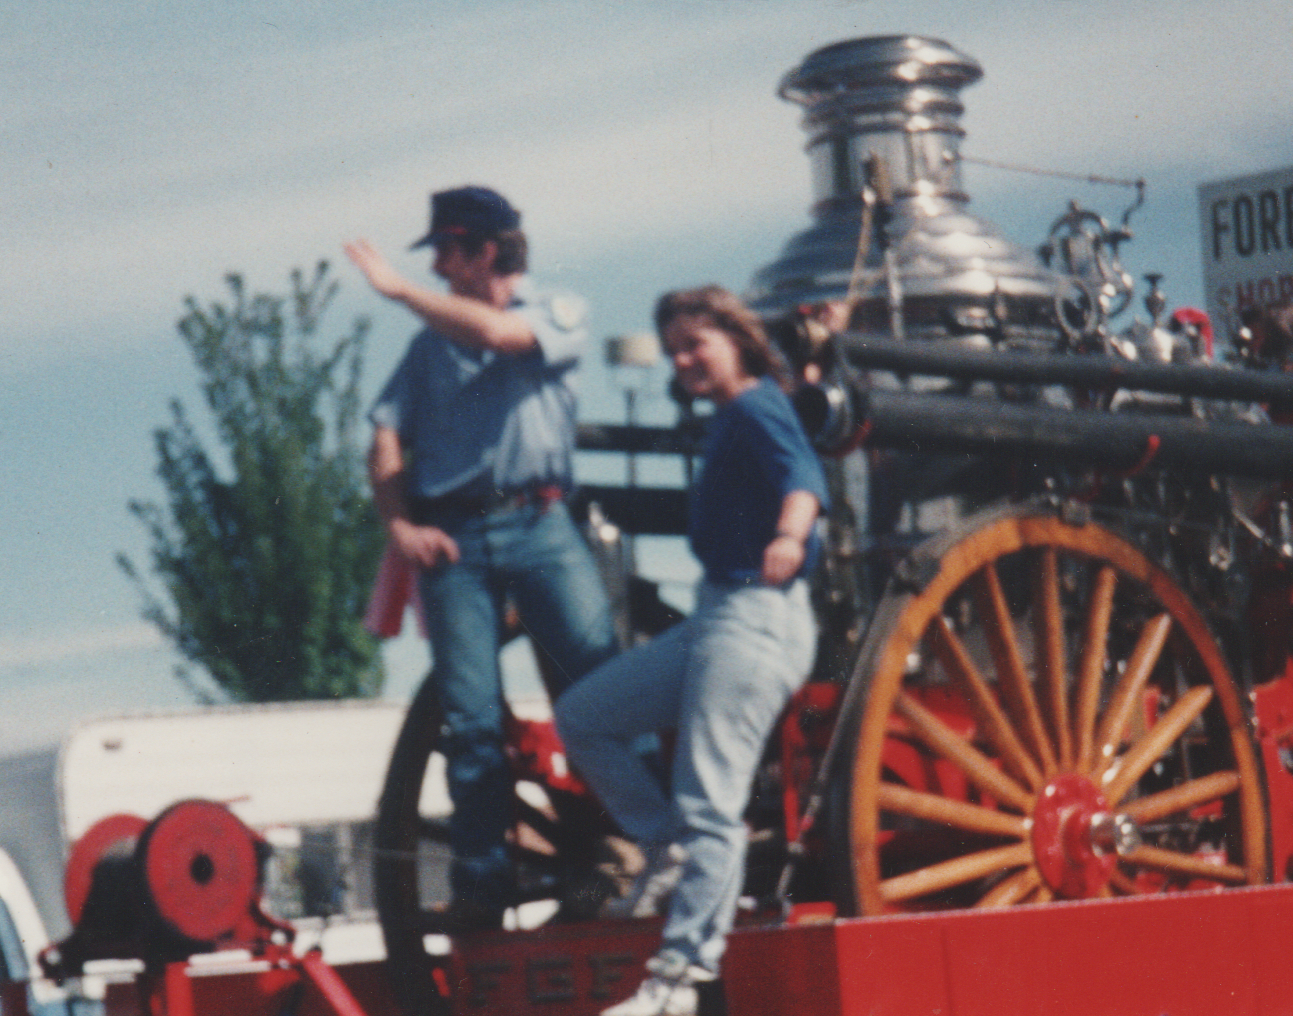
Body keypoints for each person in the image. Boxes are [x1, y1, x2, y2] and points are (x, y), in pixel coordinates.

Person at [346, 185, 618, 930]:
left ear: (485, 251)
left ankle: (627, 850)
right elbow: (385, 440)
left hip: (541, 524)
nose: (434, 265)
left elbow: (502, 337)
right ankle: (482, 886)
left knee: (596, 693)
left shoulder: (556, 311)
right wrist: (400, 526)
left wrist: (396, 292)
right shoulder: (426, 348)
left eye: (445, 249)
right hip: (454, 543)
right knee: (469, 722)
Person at [555, 286, 828, 1016]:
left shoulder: (755, 405)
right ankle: (664, 844)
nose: (680, 361)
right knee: (584, 717)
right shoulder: (735, 414)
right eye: (672, 350)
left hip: (757, 617)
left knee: (711, 801)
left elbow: (804, 477)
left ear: (734, 338)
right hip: (716, 613)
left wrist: (789, 536)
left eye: (693, 344)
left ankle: (678, 982)